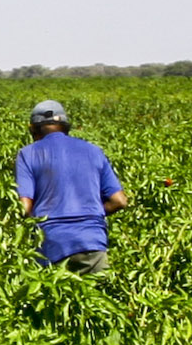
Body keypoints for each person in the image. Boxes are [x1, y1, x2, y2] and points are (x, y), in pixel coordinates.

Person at [12, 99, 128, 274]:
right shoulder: (93, 151)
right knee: (97, 298)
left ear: (34, 129)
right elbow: (119, 201)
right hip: (92, 241)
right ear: (65, 126)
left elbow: (24, 206)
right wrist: (91, 213)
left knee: (52, 298)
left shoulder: (28, 154)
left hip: (52, 243)